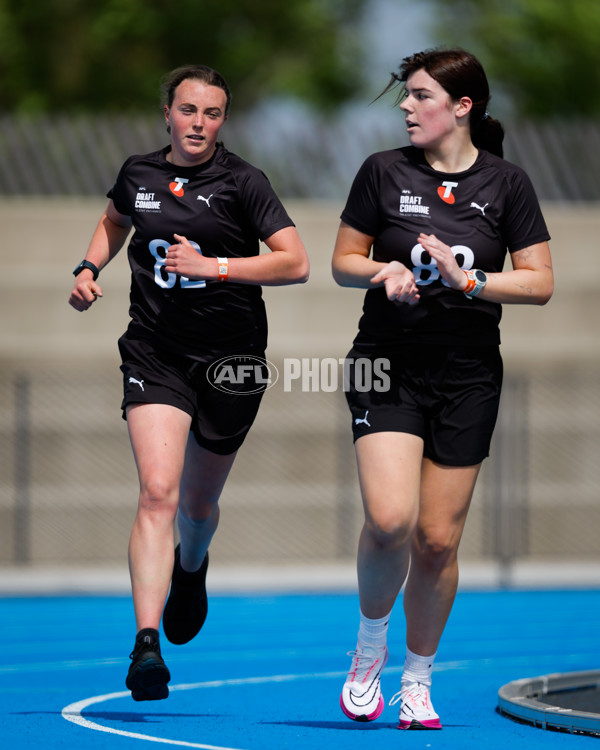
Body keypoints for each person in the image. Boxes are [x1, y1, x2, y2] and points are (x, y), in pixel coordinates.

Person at [68, 64, 309, 702]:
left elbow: (295, 262)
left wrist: (217, 266)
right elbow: (116, 219)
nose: (199, 124)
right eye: (189, 111)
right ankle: (146, 646)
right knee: (157, 492)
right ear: (167, 113)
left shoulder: (243, 182)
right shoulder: (139, 173)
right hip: (155, 352)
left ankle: (192, 567)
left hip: (231, 364)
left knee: (197, 509)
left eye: (212, 113)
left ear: (222, 120)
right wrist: (90, 265)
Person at [332, 48, 553, 730]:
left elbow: (540, 282)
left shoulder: (508, 185)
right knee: (391, 521)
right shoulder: (382, 171)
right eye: (405, 95)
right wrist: (384, 272)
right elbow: (344, 259)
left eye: (420, 95)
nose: (405, 106)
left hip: (468, 374)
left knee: (435, 541)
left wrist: (473, 283)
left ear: (462, 106)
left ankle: (419, 678)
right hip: (386, 362)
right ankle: (369, 647)